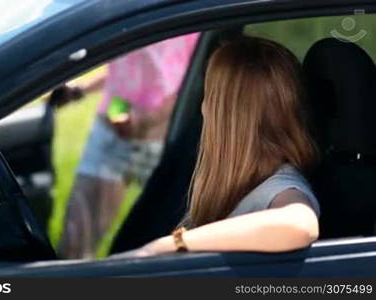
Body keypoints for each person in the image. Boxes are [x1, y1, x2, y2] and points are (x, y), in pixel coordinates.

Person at [113, 36, 321, 258]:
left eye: (208, 96)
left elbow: (300, 224)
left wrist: (167, 245)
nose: (202, 108)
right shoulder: (245, 183)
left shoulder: (280, 188)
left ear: (228, 115)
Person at [58, 33, 199, 258]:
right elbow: (123, 70)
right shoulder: (125, 13)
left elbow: (194, 75)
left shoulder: (187, 19)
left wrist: (149, 119)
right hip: (114, 128)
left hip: (163, 140)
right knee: (77, 239)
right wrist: (80, 91)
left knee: (161, 245)